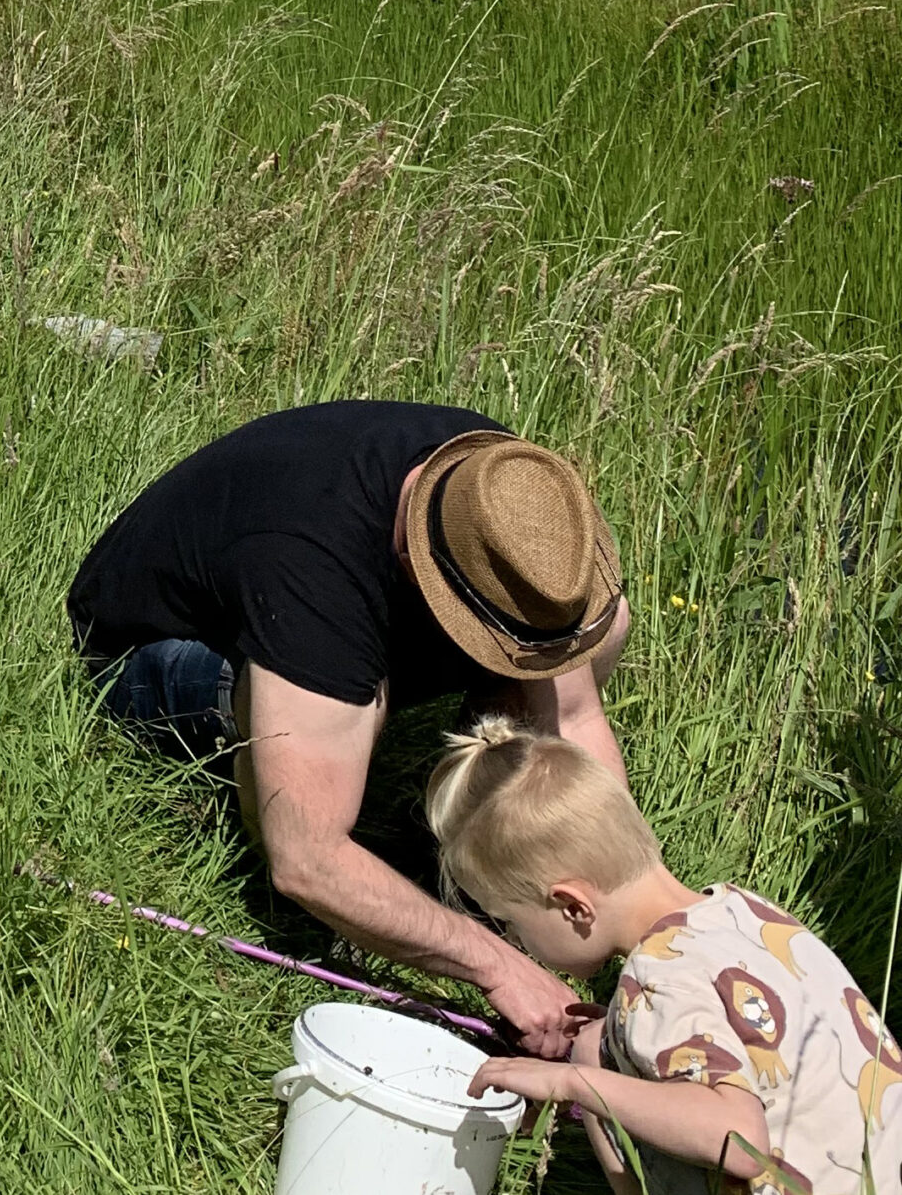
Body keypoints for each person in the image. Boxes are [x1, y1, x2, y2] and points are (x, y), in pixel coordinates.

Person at [66, 405, 635, 1058]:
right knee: (334, 742)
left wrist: (642, 907)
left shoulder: (501, 492)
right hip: (147, 653)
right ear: (411, 557)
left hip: (320, 608)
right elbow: (307, 859)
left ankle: (464, 843)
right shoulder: (316, 576)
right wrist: (500, 969)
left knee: (599, 628)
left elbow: (579, 717)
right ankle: (360, 807)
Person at [429, 718, 902, 1194]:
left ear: (573, 907)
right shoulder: (745, 912)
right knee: (595, 1046)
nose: (515, 939)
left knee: (591, 1066)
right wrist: (622, 1034)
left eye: (511, 920)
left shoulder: (658, 979)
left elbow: (738, 1140)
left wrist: (571, 1083)